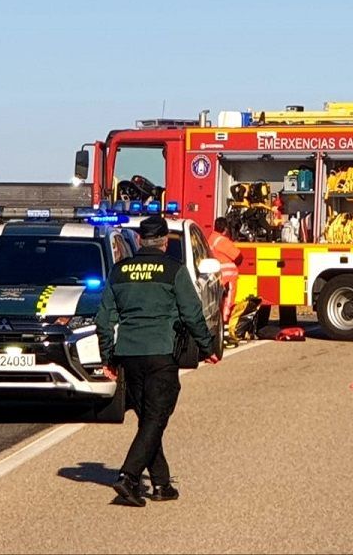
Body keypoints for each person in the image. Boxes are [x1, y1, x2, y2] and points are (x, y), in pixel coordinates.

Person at [96, 215, 220, 507]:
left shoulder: (119, 271)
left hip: (128, 354)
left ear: (139, 240)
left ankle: (162, 483)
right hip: (161, 353)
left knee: (149, 419)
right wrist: (207, 346)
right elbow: (192, 313)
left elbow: (103, 319)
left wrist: (108, 357)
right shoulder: (173, 270)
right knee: (156, 417)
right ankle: (128, 477)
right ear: (165, 242)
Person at [207, 217, 243, 341]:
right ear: (225, 229)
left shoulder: (211, 238)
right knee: (228, 304)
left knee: (218, 305)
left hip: (215, 277)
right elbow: (238, 257)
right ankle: (226, 334)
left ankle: (221, 331)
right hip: (227, 278)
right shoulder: (222, 240)